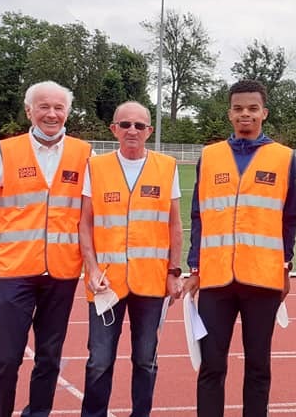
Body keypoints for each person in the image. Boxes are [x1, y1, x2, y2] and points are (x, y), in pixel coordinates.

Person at [0, 80, 92, 417]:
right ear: (29, 111)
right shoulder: (7, 151)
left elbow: (92, 211)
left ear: (67, 112)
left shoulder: (84, 153)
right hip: (15, 272)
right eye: (43, 107)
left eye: (58, 107)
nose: (51, 114)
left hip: (63, 272)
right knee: (6, 358)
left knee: (49, 358)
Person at [183, 79, 296, 417]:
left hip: (263, 279)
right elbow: (199, 215)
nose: (245, 114)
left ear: (264, 112)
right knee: (211, 365)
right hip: (216, 279)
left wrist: (285, 268)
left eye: (252, 108)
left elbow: (290, 218)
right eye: (238, 109)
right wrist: (195, 267)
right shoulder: (210, 156)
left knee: (258, 366)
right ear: (229, 114)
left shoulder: (283, 157)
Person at [78, 101, 183, 417]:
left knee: (145, 360)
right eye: (125, 125)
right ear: (114, 129)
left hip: (151, 283)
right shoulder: (96, 167)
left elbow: (174, 224)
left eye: (139, 125)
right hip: (106, 284)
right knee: (99, 360)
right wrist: (91, 268)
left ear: (149, 130)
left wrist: (174, 271)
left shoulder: (167, 166)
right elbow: (85, 223)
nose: (132, 131)